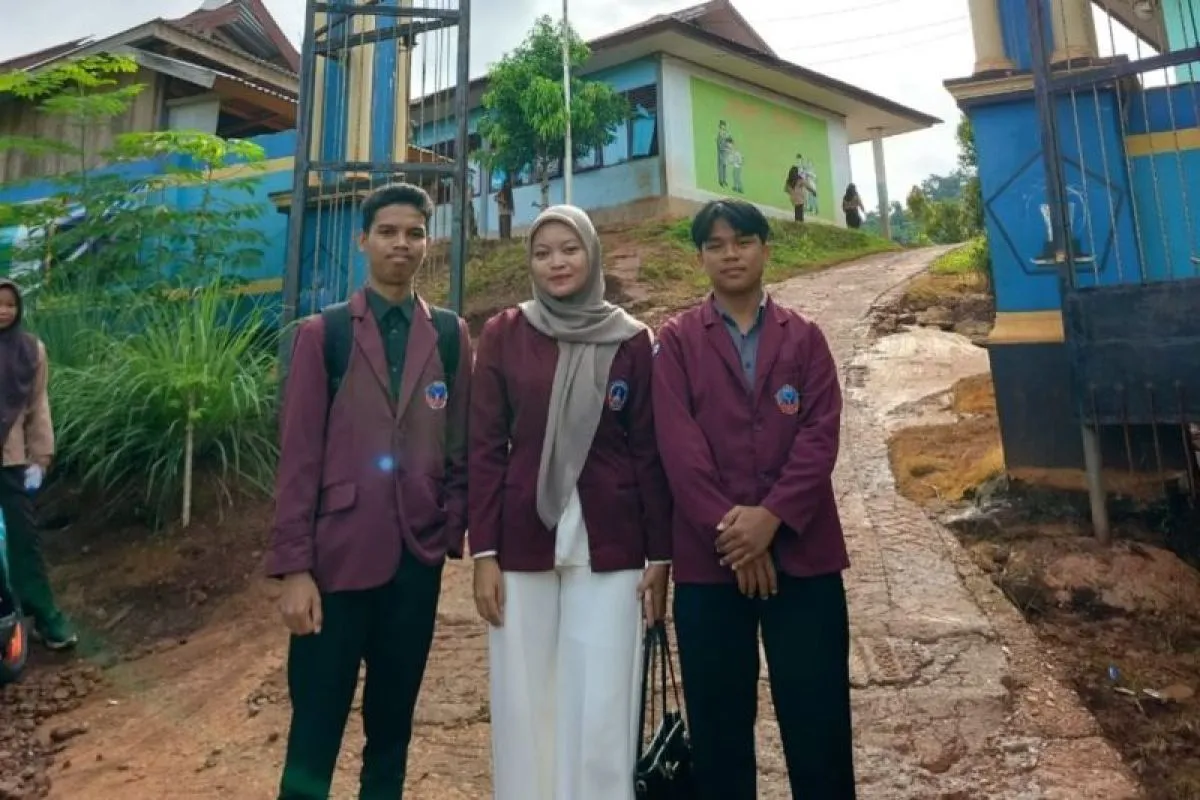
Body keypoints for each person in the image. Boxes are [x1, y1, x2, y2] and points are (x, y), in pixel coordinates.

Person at [266, 183, 472, 800]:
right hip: (337, 564)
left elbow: (460, 447)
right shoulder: (324, 334)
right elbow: (298, 460)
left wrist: (448, 526)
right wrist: (294, 569)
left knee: (392, 730)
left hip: (415, 563)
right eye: (387, 232)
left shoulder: (451, 335)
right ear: (363, 241)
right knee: (316, 725)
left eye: (414, 233)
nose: (401, 244)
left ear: (428, 242)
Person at [652, 198, 855, 799]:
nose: (730, 254)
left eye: (742, 241)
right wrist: (738, 538)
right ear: (700, 258)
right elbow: (679, 448)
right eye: (715, 245)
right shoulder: (677, 342)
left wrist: (771, 518)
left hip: (805, 558)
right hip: (709, 567)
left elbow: (820, 436)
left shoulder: (806, 337)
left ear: (766, 249)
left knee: (819, 725)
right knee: (719, 737)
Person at [469, 204, 672, 800]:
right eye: (543, 253)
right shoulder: (505, 333)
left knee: (602, 699)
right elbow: (485, 447)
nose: (556, 262)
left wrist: (660, 555)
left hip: (612, 542)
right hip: (521, 537)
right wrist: (483, 553)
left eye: (569, 249)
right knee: (524, 698)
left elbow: (648, 451)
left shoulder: (631, 340)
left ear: (591, 253)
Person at [0, 279, 75, 651]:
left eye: (10, 305)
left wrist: (40, 459)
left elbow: (38, 407)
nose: (3, 311)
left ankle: (45, 617)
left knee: (23, 542)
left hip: (11, 462)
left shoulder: (31, 350)